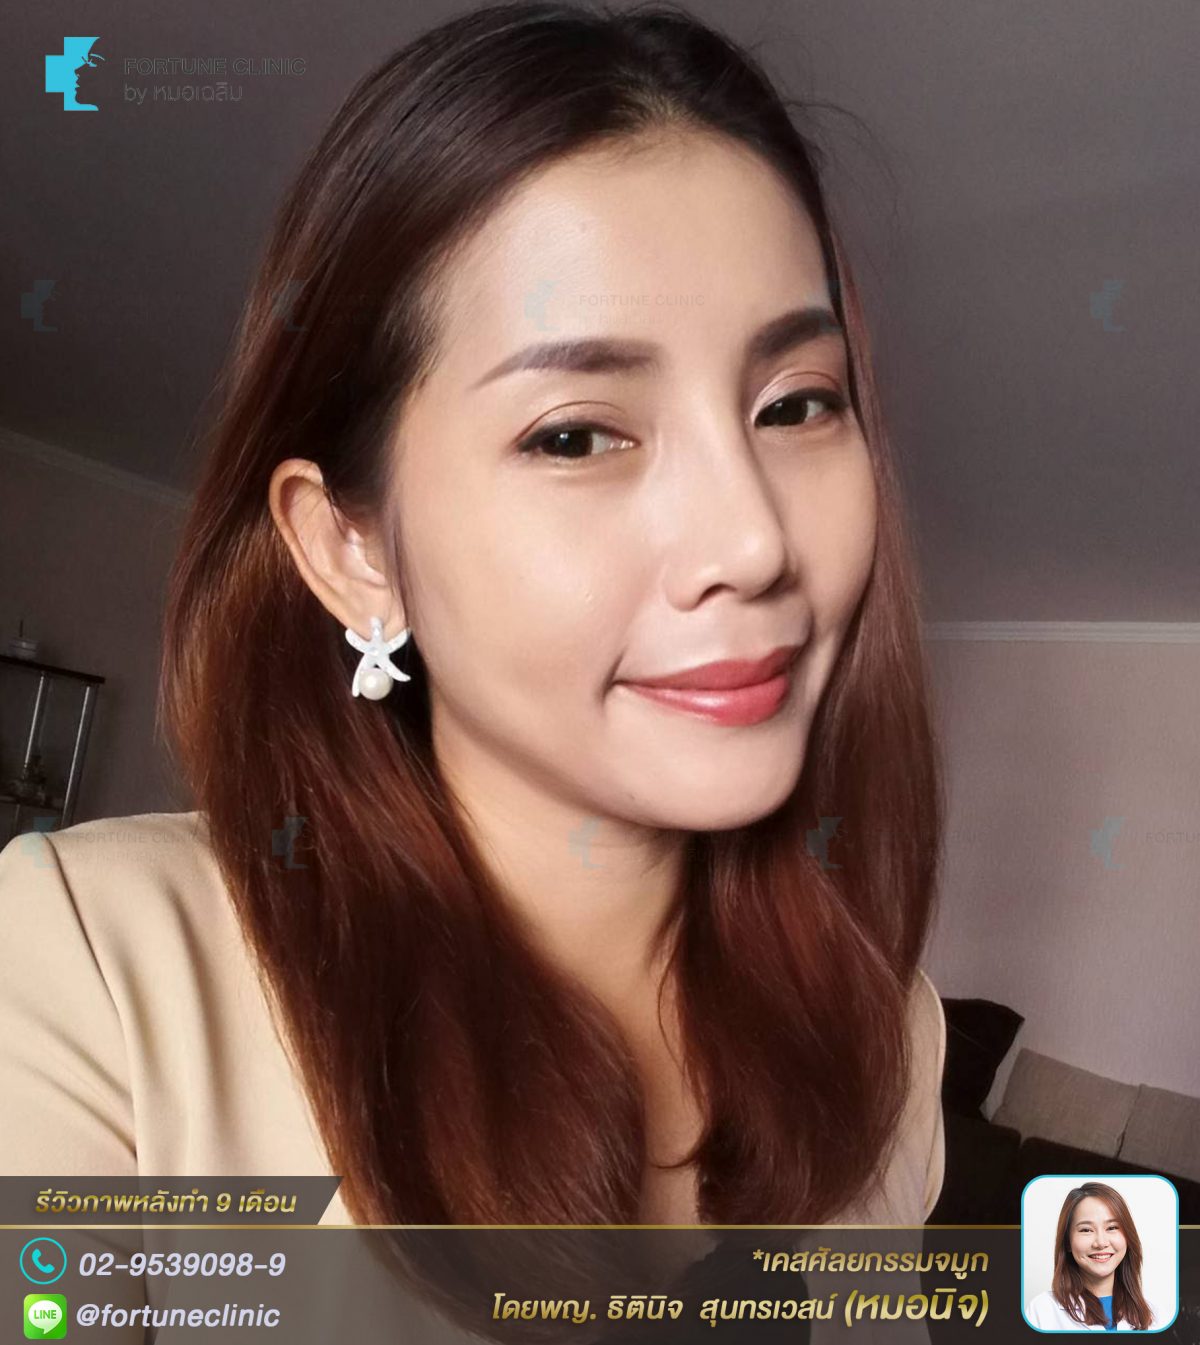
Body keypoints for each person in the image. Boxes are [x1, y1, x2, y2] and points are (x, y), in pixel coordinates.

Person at [0, 0, 948, 1232]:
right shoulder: (90, 972)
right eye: (577, 435)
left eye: (796, 405)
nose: (754, 542)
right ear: (351, 549)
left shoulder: (890, 1032)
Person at [1026, 1182, 1173, 1332]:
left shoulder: (1157, 1316)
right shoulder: (1041, 1311)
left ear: (1128, 1237)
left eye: (1112, 1228)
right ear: (1067, 1242)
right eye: (1086, 1230)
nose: (1101, 1243)